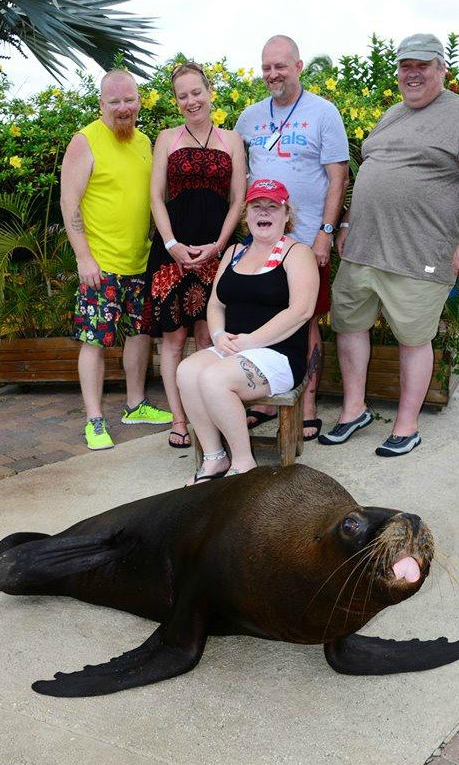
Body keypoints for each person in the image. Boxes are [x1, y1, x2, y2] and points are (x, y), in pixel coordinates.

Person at [321, 33, 459, 456]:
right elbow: (371, 171)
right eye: (405, 66)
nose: (412, 73)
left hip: (418, 252)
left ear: (442, 69)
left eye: (422, 65)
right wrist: (346, 221)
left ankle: (406, 424)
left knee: (413, 338)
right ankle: (353, 411)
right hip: (363, 248)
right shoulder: (391, 114)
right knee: (349, 328)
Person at [235, 34, 349, 441]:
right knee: (261, 316)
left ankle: (309, 404)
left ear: (298, 66)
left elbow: (338, 177)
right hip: (261, 243)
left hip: (305, 243)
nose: (272, 74)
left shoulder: (324, 113)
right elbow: (240, 179)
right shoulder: (249, 118)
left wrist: (325, 232)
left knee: (308, 320)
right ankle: (265, 400)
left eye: (280, 66)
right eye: (266, 67)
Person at [176, 179, 318, 483]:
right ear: (247, 214)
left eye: (272, 206)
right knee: (186, 372)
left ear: (286, 214)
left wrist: (252, 341)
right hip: (235, 347)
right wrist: (217, 336)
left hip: (277, 354)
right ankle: (214, 459)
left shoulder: (298, 253)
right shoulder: (234, 252)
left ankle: (243, 466)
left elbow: (301, 311)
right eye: (257, 206)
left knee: (215, 379)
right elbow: (215, 304)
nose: (263, 213)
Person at [60, 69, 172, 451]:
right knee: (94, 340)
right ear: (101, 104)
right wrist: (83, 258)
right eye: (115, 102)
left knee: (139, 336)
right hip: (100, 264)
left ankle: (135, 405)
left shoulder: (144, 141)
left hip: (140, 262)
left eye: (129, 100)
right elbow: (69, 203)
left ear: (139, 101)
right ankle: (94, 419)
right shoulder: (85, 141)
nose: (123, 108)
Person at [141, 62, 246, 449]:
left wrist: (219, 245)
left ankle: (209, 418)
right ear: (176, 101)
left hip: (217, 251)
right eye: (182, 95)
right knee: (172, 340)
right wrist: (172, 245)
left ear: (209, 91)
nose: (191, 101)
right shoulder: (166, 137)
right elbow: (156, 197)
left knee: (209, 338)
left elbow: (238, 200)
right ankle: (180, 419)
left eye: (196, 92)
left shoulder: (232, 139)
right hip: (173, 252)